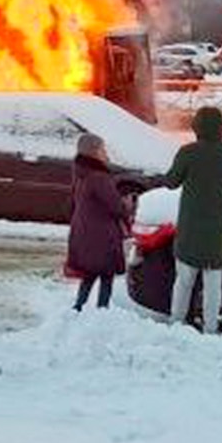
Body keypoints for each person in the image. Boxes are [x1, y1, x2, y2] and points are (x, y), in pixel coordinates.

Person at [161, 106, 222, 335]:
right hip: (218, 232)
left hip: (190, 229)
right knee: (213, 286)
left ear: (197, 127)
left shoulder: (188, 152)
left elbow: (171, 182)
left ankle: (176, 323)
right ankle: (210, 328)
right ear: (221, 128)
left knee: (184, 281)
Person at [65, 133, 130, 312]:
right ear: (93, 152)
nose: (105, 153)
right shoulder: (99, 177)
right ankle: (102, 311)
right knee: (106, 275)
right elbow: (116, 207)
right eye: (102, 149)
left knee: (90, 273)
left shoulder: (80, 174)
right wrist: (126, 205)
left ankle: (78, 307)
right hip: (102, 235)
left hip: (85, 232)